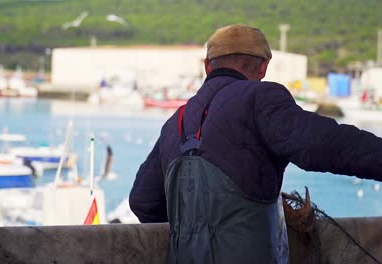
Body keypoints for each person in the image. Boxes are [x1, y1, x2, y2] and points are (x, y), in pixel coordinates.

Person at [129, 24, 382, 264]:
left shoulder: (176, 121)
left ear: (208, 67)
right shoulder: (260, 98)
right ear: (263, 67)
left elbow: (143, 201)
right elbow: (327, 145)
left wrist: (194, 232)